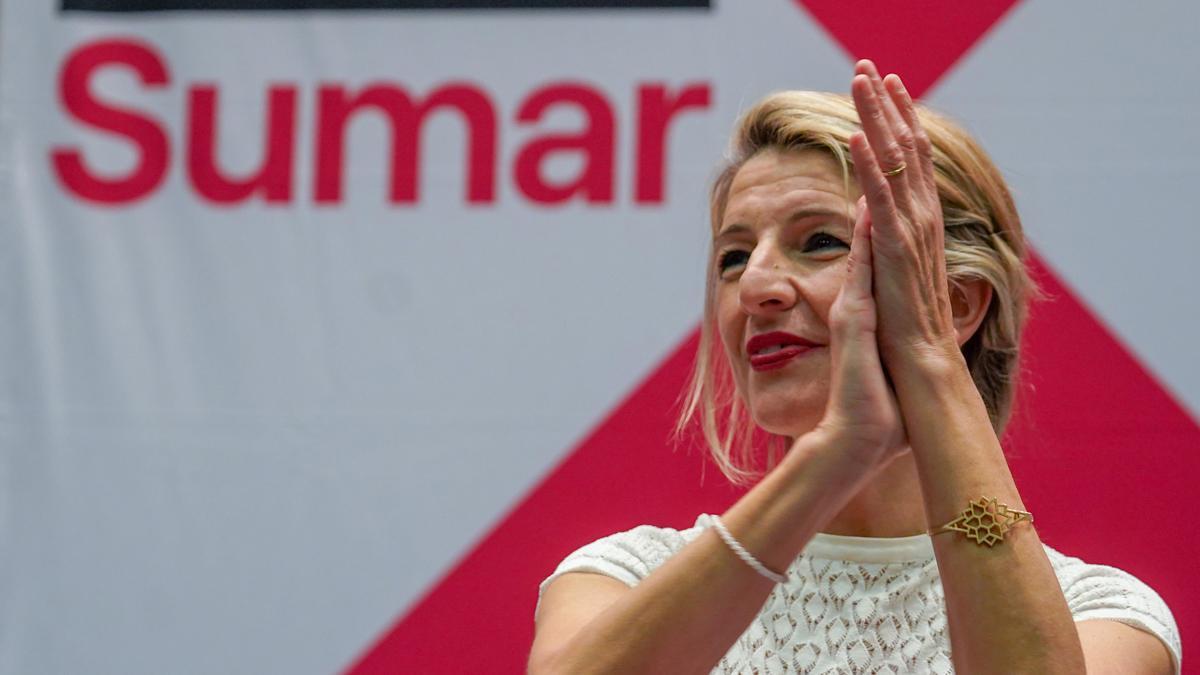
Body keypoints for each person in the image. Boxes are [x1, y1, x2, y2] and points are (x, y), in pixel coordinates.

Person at [527, 60, 1182, 674]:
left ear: (957, 303)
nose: (755, 286)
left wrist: (928, 359)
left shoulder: (1102, 615)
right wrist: (837, 453)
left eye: (819, 241)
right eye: (732, 256)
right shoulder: (618, 576)